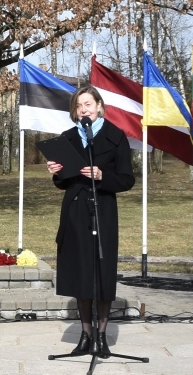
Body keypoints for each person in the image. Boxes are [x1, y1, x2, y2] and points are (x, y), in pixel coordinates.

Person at [45, 86, 135, 356]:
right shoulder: (69, 138)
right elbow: (63, 182)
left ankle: (102, 337)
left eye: (87, 104)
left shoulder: (116, 136)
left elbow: (127, 179)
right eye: (78, 106)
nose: (83, 109)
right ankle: (85, 336)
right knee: (81, 274)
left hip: (103, 209)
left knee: (102, 274)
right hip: (75, 211)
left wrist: (101, 176)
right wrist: (57, 172)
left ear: (99, 105)